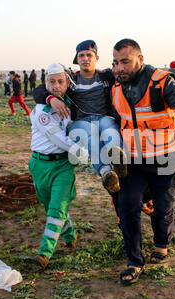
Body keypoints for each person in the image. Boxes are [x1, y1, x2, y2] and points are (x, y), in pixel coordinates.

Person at [111, 38, 175, 285]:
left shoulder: (160, 82)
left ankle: (161, 242)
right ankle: (134, 262)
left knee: (162, 205)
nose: (120, 68)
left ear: (140, 59)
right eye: (116, 63)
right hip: (135, 160)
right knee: (128, 204)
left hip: (168, 155)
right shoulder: (115, 84)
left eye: (125, 62)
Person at [34, 40, 126, 194]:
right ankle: (106, 173)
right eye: (81, 55)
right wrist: (51, 99)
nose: (85, 59)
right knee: (90, 138)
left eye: (89, 55)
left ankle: (119, 161)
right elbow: (39, 89)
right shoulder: (71, 80)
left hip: (103, 117)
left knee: (110, 129)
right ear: (77, 59)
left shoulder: (106, 76)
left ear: (96, 58)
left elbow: (130, 75)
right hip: (81, 121)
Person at [29, 62, 88, 270]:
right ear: (46, 84)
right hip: (39, 165)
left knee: (57, 208)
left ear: (67, 83)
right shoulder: (40, 110)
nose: (56, 86)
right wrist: (81, 152)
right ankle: (70, 234)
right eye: (52, 82)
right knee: (50, 206)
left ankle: (44, 254)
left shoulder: (70, 103)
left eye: (60, 81)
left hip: (62, 165)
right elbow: (56, 138)